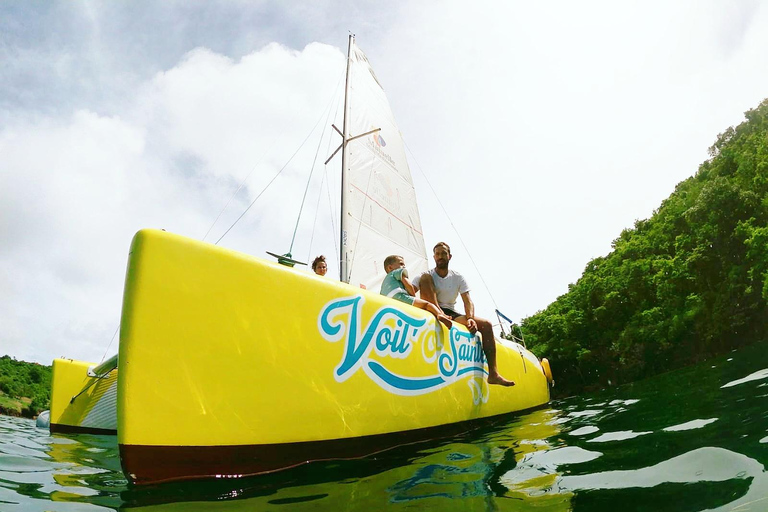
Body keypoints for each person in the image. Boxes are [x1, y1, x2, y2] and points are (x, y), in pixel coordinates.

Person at [416, 242, 515, 387]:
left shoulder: (457, 277)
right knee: (424, 278)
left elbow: (468, 301)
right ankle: (439, 315)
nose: (440, 257)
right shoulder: (427, 275)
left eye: (444, 253)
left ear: (450, 256)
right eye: (437, 254)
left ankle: (493, 374)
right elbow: (410, 290)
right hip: (430, 308)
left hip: (450, 312)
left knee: (486, 325)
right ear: (434, 257)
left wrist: (470, 319)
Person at [380, 255, 452, 329]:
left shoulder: (384, 282)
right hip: (399, 297)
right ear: (390, 267)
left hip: (388, 302)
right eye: (401, 264)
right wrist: (413, 296)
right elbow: (408, 285)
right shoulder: (397, 272)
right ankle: (440, 314)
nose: (404, 267)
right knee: (427, 305)